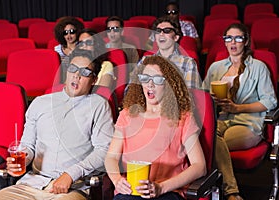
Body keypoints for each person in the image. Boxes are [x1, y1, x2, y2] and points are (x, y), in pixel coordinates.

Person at [0, 49, 114, 200]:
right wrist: (22, 161)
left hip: (71, 188)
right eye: (72, 69)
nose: (77, 75)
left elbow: (104, 150)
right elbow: (28, 146)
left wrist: (70, 174)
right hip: (30, 184)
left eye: (85, 72)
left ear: (94, 80)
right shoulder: (40, 103)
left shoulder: (99, 105)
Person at [105, 55, 206, 200]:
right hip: (131, 191)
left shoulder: (183, 117)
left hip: (168, 192)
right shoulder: (127, 114)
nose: (150, 84)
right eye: (145, 78)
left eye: (157, 79)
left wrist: (161, 188)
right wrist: (117, 180)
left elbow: (199, 166)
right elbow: (111, 157)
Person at [202, 23, 277, 200]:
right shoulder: (216, 67)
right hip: (220, 119)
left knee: (211, 143)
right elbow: (203, 97)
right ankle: (226, 192)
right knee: (204, 138)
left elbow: (270, 101)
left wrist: (238, 108)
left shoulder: (258, 67)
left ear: (246, 41)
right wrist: (212, 100)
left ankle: (228, 191)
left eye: (238, 38)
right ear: (224, 42)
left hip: (247, 122)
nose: (233, 42)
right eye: (228, 38)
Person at [141, 15, 202, 89]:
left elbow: (190, 96)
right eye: (158, 31)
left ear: (176, 37)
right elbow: (130, 90)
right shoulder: (145, 60)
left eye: (167, 31)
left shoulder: (188, 63)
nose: (161, 34)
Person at [54, 16, 84, 82]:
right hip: (62, 79)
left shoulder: (83, 47)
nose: (69, 35)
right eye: (65, 33)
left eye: (72, 31)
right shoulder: (57, 50)